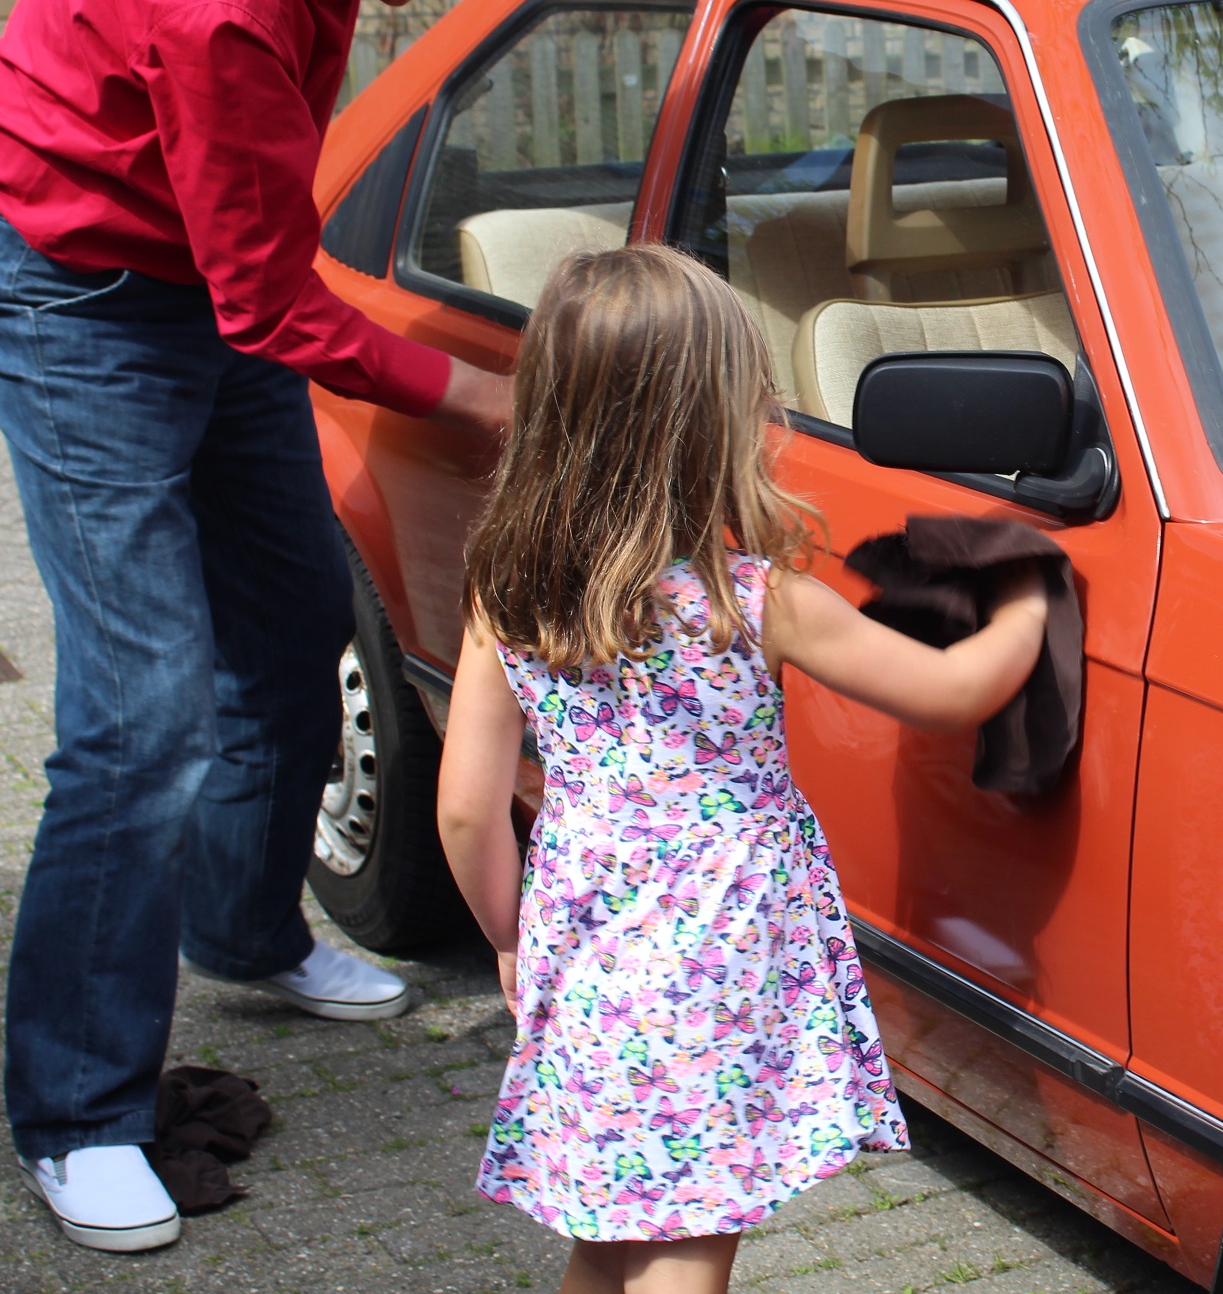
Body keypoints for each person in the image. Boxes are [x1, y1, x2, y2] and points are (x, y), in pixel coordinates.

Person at [0, 0, 831, 1253]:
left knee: (294, 625)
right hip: (71, 293)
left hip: (204, 271)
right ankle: (79, 1112)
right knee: (143, 712)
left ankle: (244, 934)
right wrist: (500, 399)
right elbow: (270, 307)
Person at [436, 246, 1049, 1294]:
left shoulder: (506, 592)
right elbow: (951, 691)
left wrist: (509, 935)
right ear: (705, 426)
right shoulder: (752, 602)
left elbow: (465, 810)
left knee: (613, 1216)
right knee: (692, 1226)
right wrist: (1029, 596)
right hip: (719, 947)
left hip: (584, 933)